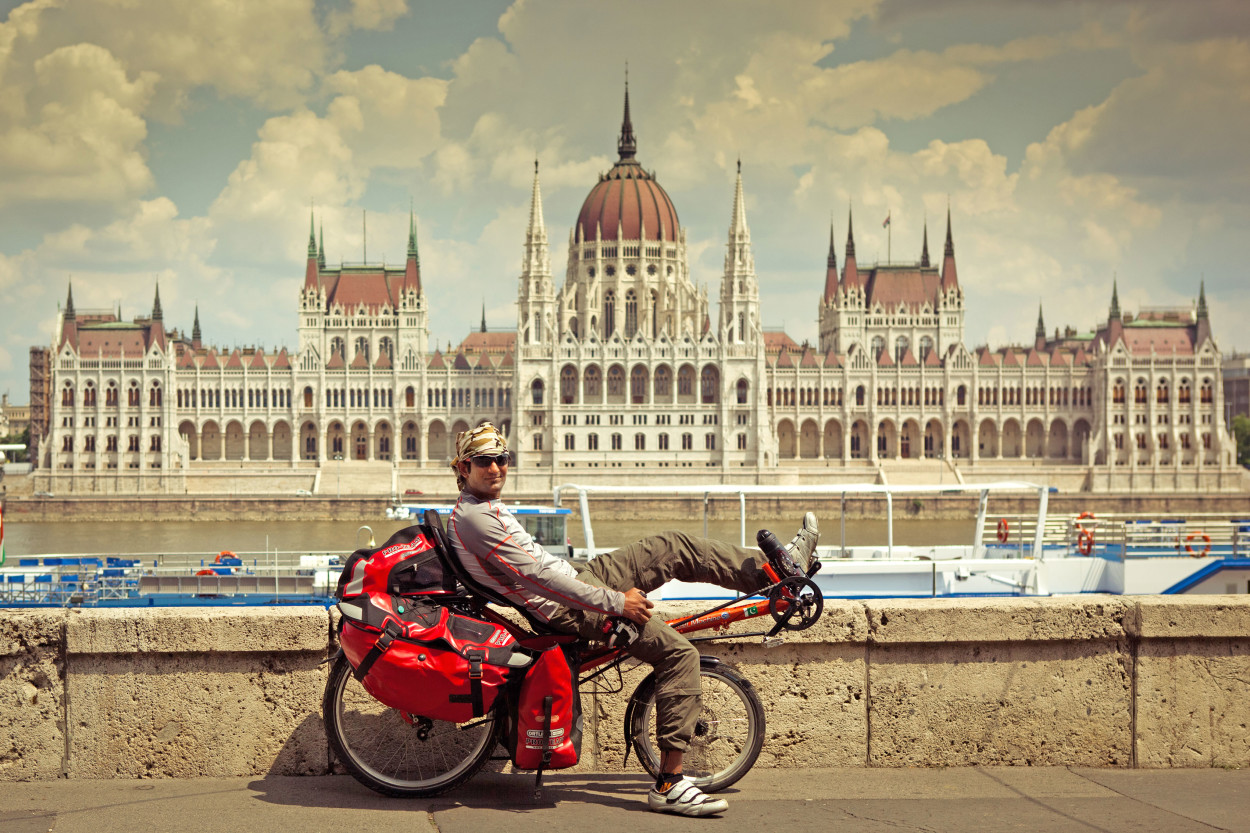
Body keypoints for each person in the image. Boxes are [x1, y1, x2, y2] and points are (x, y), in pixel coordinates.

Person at [447, 423, 818, 817]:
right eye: (485, 461)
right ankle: (670, 784)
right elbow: (541, 581)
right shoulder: (477, 520)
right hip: (571, 609)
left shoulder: (480, 509)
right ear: (464, 467)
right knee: (679, 655)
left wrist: (599, 590)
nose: (496, 469)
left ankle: (776, 572)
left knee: (673, 547)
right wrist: (615, 604)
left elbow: (549, 574)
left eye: (502, 459)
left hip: (578, 582)